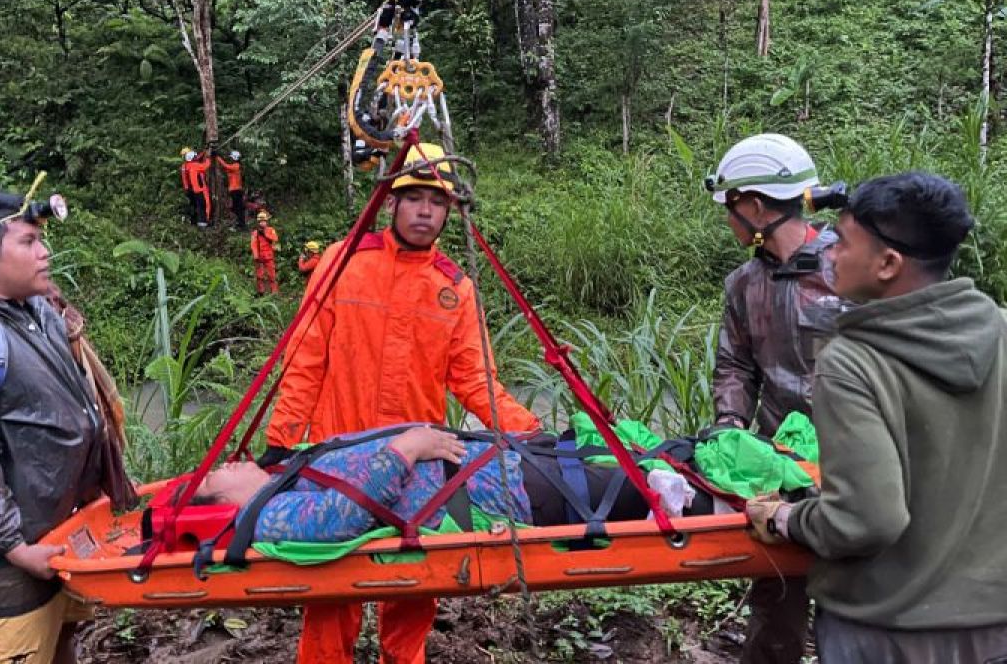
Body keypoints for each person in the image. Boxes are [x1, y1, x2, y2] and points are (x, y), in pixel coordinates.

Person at [264, 142, 542, 664]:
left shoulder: (454, 289)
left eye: (434, 201)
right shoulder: (342, 263)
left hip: (418, 467)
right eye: (412, 197)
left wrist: (531, 433)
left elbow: (476, 380)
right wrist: (281, 443)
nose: (423, 211)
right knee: (330, 589)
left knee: (415, 585)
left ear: (448, 210)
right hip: (338, 457)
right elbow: (304, 361)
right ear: (391, 203)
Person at [746, 172, 1007, 662]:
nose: (831, 253)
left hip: (885, 628)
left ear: (888, 263)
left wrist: (786, 517)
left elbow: (865, 520)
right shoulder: (1002, 332)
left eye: (843, 242)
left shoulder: (853, 363)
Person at [0, 190, 132, 664]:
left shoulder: (39, 310)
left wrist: (105, 484)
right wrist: (16, 548)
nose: (45, 252)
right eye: (29, 241)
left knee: (63, 642)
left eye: (42, 240)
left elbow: (78, 409)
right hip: (15, 552)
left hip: (67, 529)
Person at [705, 133, 847, 664]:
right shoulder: (744, 284)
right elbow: (736, 365)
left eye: (731, 206)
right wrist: (730, 428)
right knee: (775, 607)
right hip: (780, 469)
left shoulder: (846, 269)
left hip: (852, 466)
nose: (728, 219)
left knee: (851, 608)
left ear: (757, 207)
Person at [195, 426, 716, 541]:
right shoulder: (264, 515)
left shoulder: (282, 485)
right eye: (218, 469)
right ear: (218, 498)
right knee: (655, 488)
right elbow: (340, 519)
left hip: (494, 468)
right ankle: (754, 507)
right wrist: (409, 448)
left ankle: (732, 484)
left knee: (653, 463)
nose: (230, 461)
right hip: (503, 493)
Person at [215, 149, 246, 230]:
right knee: (235, 208)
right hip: (233, 190)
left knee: (238, 208)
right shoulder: (233, 166)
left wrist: (218, 157)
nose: (231, 159)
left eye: (232, 158)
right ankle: (239, 224)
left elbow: (225, 166)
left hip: (236, 190)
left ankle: (241, 225)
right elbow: (225, 168)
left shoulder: (236, 166)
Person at [251, 209, 279, 295]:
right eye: (260, 222)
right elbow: (253, 244)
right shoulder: (255, 233)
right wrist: (255, 255)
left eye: (264, 221)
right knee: (260, 275)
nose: (262, 223)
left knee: (272, 275)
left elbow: (275, 238)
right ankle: (261, 292)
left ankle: (274, 291)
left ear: (266, 222)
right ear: (258, 222)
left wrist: (265, 234)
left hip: (269, 256)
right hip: (259, 257)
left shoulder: (271, 230)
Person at [185, 150, 210, 228]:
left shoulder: (187, 165)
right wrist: (208, 157)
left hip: (193, 190)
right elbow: (206, 165)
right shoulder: (195, 165)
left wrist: (203, 152)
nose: (196, 157)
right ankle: (202, 223)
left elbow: (197, 158)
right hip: (199, 190)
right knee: (202, 206)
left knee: (196, 206)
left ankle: (195, 222)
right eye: (195, 157)